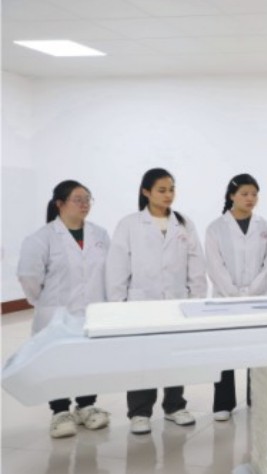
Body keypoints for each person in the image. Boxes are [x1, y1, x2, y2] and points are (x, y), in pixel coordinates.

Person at [106, 168, 207, 435]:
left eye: (171, 189)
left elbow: (196, 263)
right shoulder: (129, 224)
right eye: (161, 190)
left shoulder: (184, 223)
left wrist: (196, 299)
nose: (168, 195)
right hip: (141, 303)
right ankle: (140, 412)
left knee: (175, 354)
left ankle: (174, 406)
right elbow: (117, 266)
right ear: (146, 192)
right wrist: (118, 305)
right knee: (143, 358)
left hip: (177, 301)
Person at [17, 180, 111, 438]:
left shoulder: (100, 235)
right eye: (78, 199)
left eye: (88, 199)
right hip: (56, 314)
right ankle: (60, 412)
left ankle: (86, 406)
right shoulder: (41, 238)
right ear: (59, 203)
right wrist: (44, 302)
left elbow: (109, 271)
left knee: (88, 360)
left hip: (92, 312)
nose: (85, 204)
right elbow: (29, 277)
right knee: (57, 362)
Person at [205, 173, 267, 421]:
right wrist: (235, 294)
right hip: (225, 300)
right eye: (245, 194)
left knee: (257, 349)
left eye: (254, 194)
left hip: (259, 299)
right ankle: (223, 403)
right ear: (231, 196)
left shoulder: (266, 228)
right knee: (224, 349)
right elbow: (215, 266)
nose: (250, 198)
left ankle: (255, 398)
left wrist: (251, 292)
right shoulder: (216, 228)